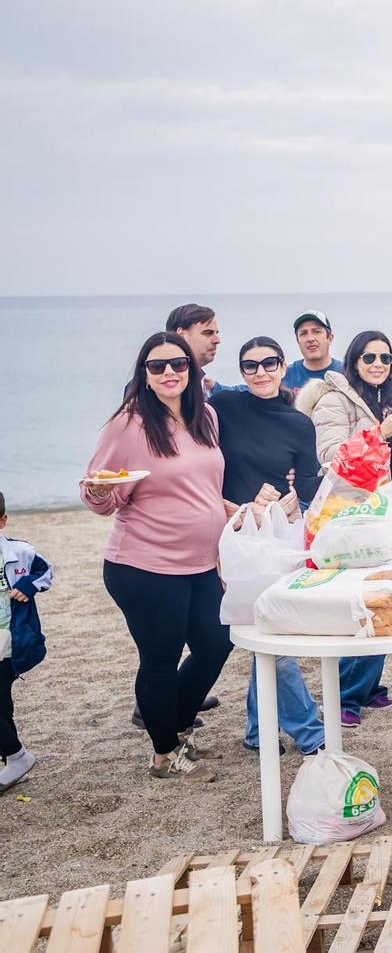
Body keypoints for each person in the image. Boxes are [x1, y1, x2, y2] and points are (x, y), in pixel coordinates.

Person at [84, 333, 230, 782]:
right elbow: (103, 495)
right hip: (145, 566)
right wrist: (97, 491)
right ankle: (164, 754)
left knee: (217, 643)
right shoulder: (128, 425)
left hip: (202, 563)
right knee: (161, 659)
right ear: (144, 375)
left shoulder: (205, 415)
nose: (169, 372)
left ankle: (176, 726)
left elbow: (206, 488)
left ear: (191, 370)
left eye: (178, 364)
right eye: (157, 366)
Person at [211, 338, 326, 757]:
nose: (260, 372)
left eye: (269, 363)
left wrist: (297, 498)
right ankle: (311, 732)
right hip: (234, 535)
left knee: (270, 629)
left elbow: (311, 486)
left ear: (283, 367)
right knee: (270, 633)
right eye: (250, 366)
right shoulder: (224, 405)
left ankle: (258, 730)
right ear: (240, 372)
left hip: (277, 536)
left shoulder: (298, 423)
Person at [298, 331, 392, 725]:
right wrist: (378, 434)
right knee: (362, 599)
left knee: (384, 592)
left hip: (381, 510)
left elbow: (390, 459)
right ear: (353, 361)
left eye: (386, 357)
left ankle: (368, 688)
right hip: (347, 513)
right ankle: (344, 697)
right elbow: (329, 455)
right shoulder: (334, 399)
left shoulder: (384, 399)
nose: (378, 364)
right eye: (369, 358)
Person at [1, 490, 52, 791]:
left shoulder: (21, 551)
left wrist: (28, 585)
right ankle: (12, 762)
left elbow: (45, 572)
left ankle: (16, 756)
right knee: (1, 701)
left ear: (3, 521)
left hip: (10, 638)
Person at [283, 310, 341, 395]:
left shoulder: (347, 373)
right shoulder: (285, 376)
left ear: (330, 338)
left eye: (316, 332)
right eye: (303, 334)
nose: (310, 339)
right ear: (298, 341)